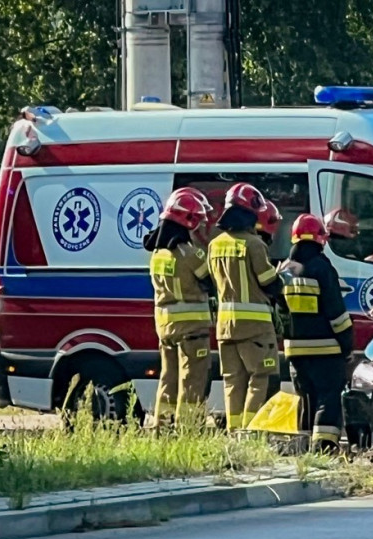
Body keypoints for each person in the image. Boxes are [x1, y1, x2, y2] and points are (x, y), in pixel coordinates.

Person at [207, 182, 284, 431]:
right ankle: (251, 431)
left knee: (232, 381)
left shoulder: (214, 244)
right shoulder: (254, 244)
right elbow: (268, 282)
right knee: (261, 377)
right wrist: (282, 277)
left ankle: (234, 431)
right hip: (255, 326)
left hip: (224, 328)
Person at [278, 214, 354, 450]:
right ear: (321, 239)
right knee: (328, 398)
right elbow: (336, 313)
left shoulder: (284, 271)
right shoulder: (321, 268)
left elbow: (279, 312)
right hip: (326, 349)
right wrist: (347, 344)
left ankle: (302, 446)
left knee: (306, 399)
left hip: (294, 351)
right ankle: (324, 448)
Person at [143, 187, 215, 428]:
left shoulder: (157, 254)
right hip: (192, 329)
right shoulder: (190, 253)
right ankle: (189, 429)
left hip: (165, 327)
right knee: (192, 380)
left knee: (168, 378)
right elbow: (211, 283)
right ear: (189, 220)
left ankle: (161, 427)